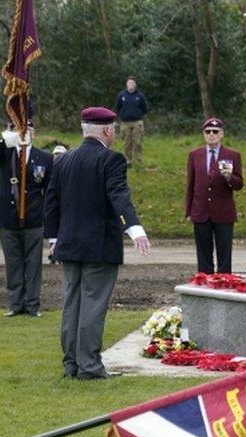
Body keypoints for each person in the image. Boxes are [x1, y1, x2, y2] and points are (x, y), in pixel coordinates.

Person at [44, 107, 151, 380]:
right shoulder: (111, 159)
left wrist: (54, 238)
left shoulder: (63, 161)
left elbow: (52, 202)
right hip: (98, 246)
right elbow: (118, 195)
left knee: (72, 305)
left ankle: (71, 364)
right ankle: (89, 366)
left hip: (68, 245)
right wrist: (134, 228)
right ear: (107, 130)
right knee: (92, 306)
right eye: (113, 128)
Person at [0, 121, 52, 317]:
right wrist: (7, 138)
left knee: (33, 264)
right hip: (8, 217)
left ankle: (32, 305)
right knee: (13, 263)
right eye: (19, 130)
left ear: (35, 133)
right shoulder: (5, 153)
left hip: (33, 217)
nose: (24, 133)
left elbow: (49, 190)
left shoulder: (44, 158)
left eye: (28, 130)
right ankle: (15, 305)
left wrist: (48, 219)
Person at [185, 117, 244, 274]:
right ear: (204, 134)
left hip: (223, 212)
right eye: (208, 131)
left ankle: (224, 285)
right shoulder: (194, 155)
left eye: (215, 132)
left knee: (224, 254)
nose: (211, 134)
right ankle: (204, 285)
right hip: (201, 211)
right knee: (203, 254)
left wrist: (229, 177)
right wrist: (188, 211)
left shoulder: (233, 155)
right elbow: (190, 184)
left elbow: (239, 185)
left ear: (222, 134)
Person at [115, 76, 148, 167]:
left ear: (135, 85)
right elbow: (117, 108)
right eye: (129, 83)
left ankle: (138, 161)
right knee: (126, 143)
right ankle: (127, 161)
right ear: (126, 84)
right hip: (125, 123)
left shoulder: (140, 96)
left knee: (137, 142)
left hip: (137, 123)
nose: (131, 85)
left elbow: (144, 108)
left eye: (133, 83)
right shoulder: (121, 96)